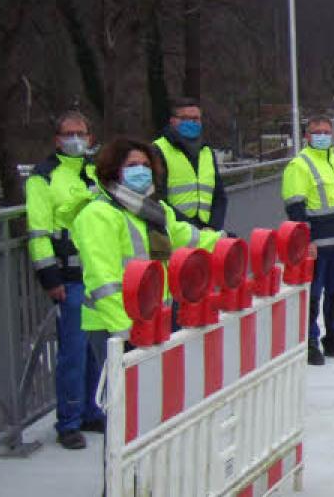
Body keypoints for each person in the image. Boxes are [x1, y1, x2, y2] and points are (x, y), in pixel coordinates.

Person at [72, 137, 222, 386]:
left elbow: (184, 237)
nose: (140, 170)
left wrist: (224, 242)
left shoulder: (154, 209)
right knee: (124, 405)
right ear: (114, 170)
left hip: (152, 318)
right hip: (115, 327)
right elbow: (103, 280)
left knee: (152, 398)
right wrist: (124, 331)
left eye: (145, 165)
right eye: (132, 165)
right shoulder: (99, 215)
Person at [25, 111, 104, 450]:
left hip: (97, 274)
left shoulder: (95, 173)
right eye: (69, 133)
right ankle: (68, 421)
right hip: (68, 278)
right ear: (57, 139)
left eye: (81, 133)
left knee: (90, 350)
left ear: (89, 138)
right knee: (71, 351)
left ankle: (89, 410)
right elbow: (39, 232)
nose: (76, 139)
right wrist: (49, 277)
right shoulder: (43, 178)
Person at [283, 116, 334, 366]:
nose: (322, 136)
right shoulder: (299, 166)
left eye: (326, 132)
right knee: (313, 296)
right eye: (317, 132)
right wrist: (305, 240)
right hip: (317, 246)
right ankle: (309, 342)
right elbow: (295, 207)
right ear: (307, 136)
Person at [152, 97, 227, 230]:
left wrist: (213, 227)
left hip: (207, 231)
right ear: (172, 121)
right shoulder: (159, 150)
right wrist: (191, 229)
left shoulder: (206, 151)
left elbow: (219, 196)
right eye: (185, 118)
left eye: (195, 119)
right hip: (175, 231)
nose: (191, 123)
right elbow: (158, 198)